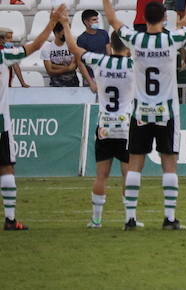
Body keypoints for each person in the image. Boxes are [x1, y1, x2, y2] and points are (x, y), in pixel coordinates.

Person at [95, 0, 186, 231]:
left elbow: (113, 19)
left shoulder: (135, 40)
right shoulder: (171, 39)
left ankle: (130, 218)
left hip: (140, 112)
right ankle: (169, 218)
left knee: (135, 163)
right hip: (166, 112)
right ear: (163, 18)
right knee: (169, 163)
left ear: (145, 18)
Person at [60, 12, 134, 229]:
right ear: (127, 47)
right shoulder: (132, 65)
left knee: (101, 175)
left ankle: (96, 219)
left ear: (109, 45)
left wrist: (65, 24)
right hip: (126, 126)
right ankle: (129, 218)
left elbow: (74, 49)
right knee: (128, 174)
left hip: (104, 125)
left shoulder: (100, 61)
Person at [0, 3, 62, 230]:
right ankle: (9, 218)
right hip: (0, 123)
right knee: (6, 167)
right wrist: (52, 22)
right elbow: (35, 45)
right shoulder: (4, 55)